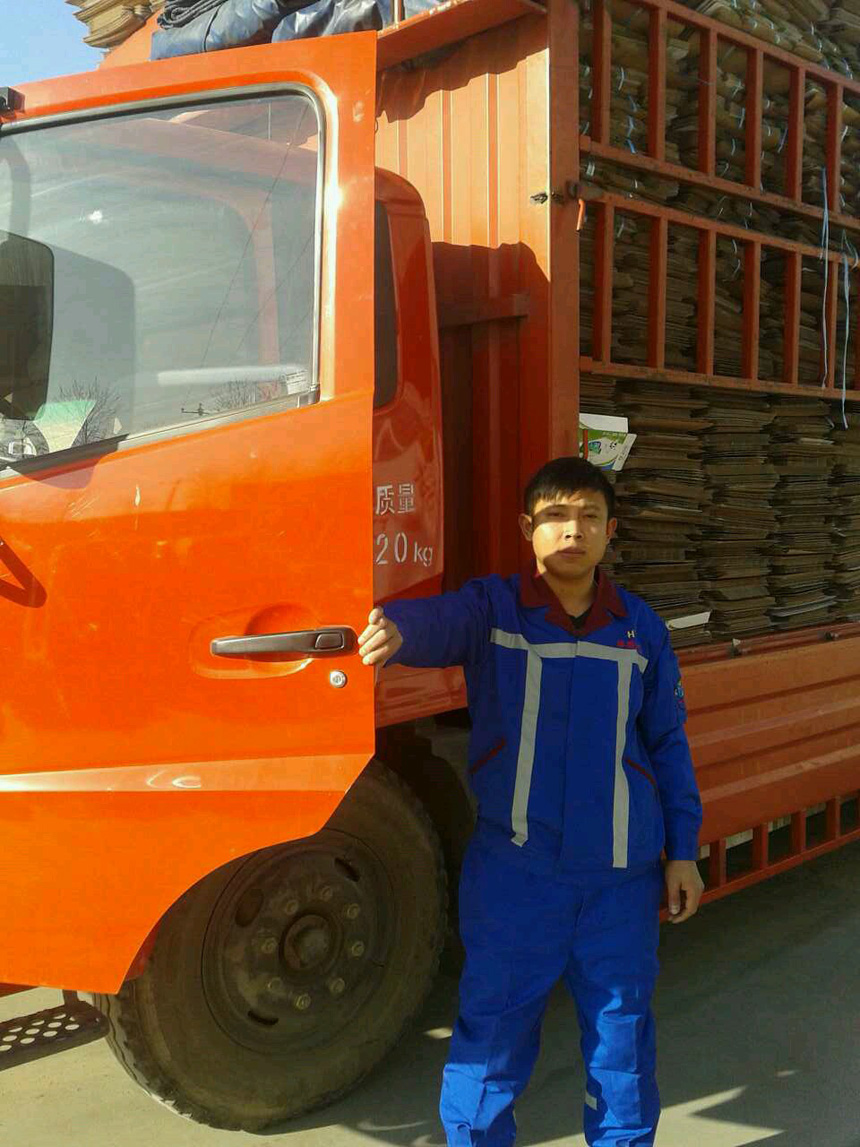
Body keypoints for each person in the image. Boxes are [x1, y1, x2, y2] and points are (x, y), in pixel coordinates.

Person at [358, 456, 704, 1147]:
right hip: (517, 876)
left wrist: (683, 852)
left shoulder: (640, 630)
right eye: (555, 516)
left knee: (622, 1045)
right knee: (491, 1040)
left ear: (610, 531)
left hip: (620, 881)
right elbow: (436, 621)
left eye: (589, 517)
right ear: (528, 528)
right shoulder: (494, 610)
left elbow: (667, 744)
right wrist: (394, 629)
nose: (572, 531)